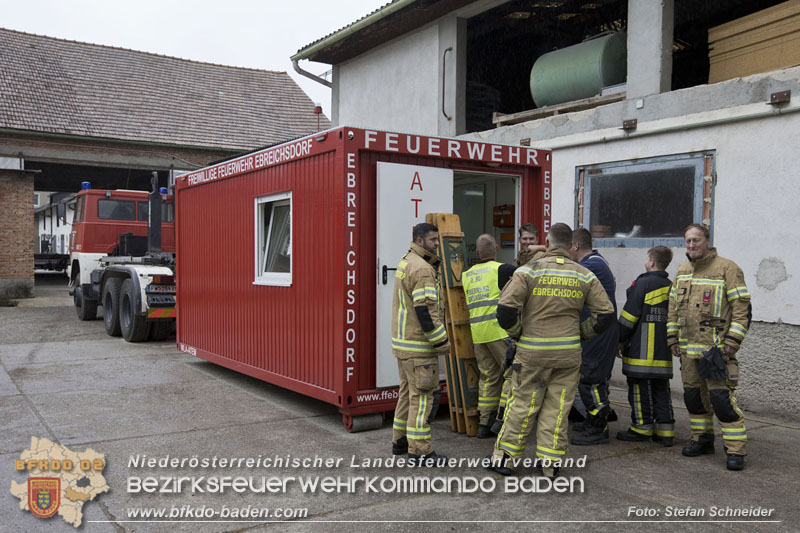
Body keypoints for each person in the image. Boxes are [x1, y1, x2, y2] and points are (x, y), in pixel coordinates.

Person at [488, 222, 615, 477]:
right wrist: (581, 333)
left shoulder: (528, 271)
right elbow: (605, 315)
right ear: (570, 246)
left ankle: (506, 460)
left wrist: (517, 332)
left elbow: (505, 310)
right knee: (557, 410)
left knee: (522, 405)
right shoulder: (584, 274)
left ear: (546, 243)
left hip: (532, 353)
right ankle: (550, 465)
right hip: (568, 355)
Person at [667, 224, 751, 471]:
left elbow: (741, 308)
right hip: (687, 351)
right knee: (694, 399)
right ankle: (702, 440)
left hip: (715, 351)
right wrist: (672, 338)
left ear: (707, 240)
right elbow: (672, 307)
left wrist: (732, 343)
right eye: (688, 241)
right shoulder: (682, 270)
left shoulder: (728, 268)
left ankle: (735, 451)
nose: (691, 245)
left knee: (721, 400)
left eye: (696, 240)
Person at [390, 223, 450, 464]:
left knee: (407, 394)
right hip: (419, 348)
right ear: (421, 240)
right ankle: (421, 451)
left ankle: (400, 441)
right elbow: (424, 310)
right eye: (434, 240)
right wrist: (441, 342)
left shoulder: (407, 260)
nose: (437, 244)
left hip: (404, 346)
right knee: (423, 398)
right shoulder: (423, 268)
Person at [617, 246, 675, 446]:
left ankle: (641, 428)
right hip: (663, 351)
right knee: (661, 390)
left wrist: (619, 339)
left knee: (640, 390)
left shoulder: (642, 284)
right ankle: (665, 432)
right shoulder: (670, 285)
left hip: (640, 352)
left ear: (651, 262)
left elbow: (628, 317)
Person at [462, 234, 516, 438]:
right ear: (497, 249)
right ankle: (502, 419)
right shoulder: (503, 269)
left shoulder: (467, 275)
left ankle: (484, 423)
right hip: (499, 333)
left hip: (479, 336)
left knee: (488, 378)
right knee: (512, 375)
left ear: (477, 253)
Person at [569, 227, 619, 445]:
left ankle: (599, 427)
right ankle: (592, 419)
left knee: (592, 379)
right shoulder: (595, 262)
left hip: (599, 332)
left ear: (575, 246)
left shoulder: (590, 266)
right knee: (590, 377)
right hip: (597, 331)